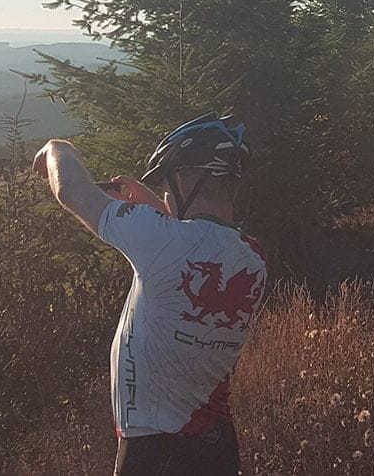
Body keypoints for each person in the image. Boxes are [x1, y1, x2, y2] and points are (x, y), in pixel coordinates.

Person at [33, 113, 267, 476]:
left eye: (168, 186)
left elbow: (72, 191)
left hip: (156, 451)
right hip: (216, 447)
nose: (165, 195)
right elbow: (197, 240)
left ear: (190, 178)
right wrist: (154, 207)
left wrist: (56, 148)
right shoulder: (253, 256)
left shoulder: (162, 241)